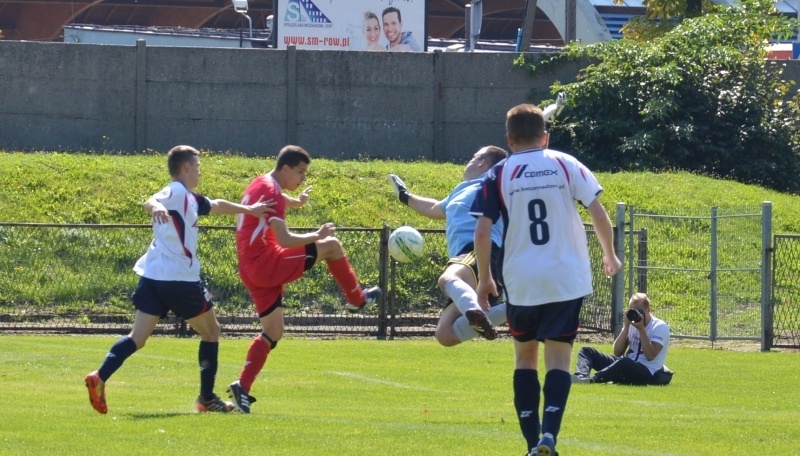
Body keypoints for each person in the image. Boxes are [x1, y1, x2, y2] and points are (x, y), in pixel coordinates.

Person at [472, 103, 621, 456]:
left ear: (508, 139)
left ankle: (530, 445)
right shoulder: (566, 163)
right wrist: (610, 254)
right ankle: (550, 436)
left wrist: (484, 278)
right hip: (565, 278)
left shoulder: (498, 173)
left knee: (525, 360)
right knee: (558, 361)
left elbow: (482, 228)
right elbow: (598, 212)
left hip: (522, 280)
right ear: (546, 136)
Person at [84, 145, 275, 415]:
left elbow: (216, 205)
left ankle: (99, 376)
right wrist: (156, 207)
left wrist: (250, 209)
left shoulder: (188, 198)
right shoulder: (175, 191)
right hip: (180, 280)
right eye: (197, 166)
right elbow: (151, 200)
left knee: (137, 338)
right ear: (186, 167)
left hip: (153, 277)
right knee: (211, 332)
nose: (198, 171)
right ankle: (207, 399)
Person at [227, 145, 381, 414]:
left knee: (273, 332)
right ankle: (357, 298)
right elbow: (285, 240)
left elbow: (273, 201)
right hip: (267, 263)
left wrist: (295, 202)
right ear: (285, 169)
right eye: (300, 173)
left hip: (250, 269)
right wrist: (316, 235)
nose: (302, 179)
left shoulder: (260, 183)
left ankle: (242, 387)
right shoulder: (273, 191)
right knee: (331, 245)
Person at [387, 146, 508, 346]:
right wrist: (404, 196)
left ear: (482, 163)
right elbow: (434, 208)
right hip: (465, 257)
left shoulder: (494, 184)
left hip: (482, 251)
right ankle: (517, 310)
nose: (469, 161)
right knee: (445, 334)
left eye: (473, 156)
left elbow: (516, 171)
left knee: (448, 278)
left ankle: (476, 308)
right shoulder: (461, 189)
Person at [573, 293, 672, 385]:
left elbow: (650, 356)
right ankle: (582, 376)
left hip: (646, 372)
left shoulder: (660, 327)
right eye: (632, 311)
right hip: (625, 365)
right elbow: (617, 352)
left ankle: (593, 379)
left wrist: (641, 330)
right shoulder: (631, 323)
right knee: (586, 350)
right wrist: (626, 327)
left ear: (648, 310)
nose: (635, 314)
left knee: (625, 362)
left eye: (639, 311)